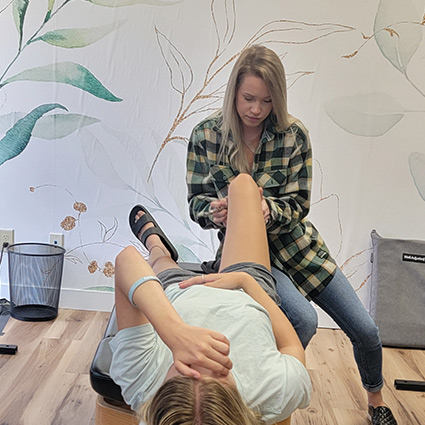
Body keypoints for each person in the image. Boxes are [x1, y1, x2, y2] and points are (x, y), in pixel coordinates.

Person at [186, 44, 397, 425]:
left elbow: (299, 204)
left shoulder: (293, 134)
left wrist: (270, 210)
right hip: (249, 258)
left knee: (365, 330)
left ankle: (376, 402)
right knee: (303, 320)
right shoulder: (206, 136)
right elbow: (196, 203)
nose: (256, 110)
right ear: (234, 90)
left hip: (300, 249)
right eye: (248, 98)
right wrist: (216, 213)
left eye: (266, 101)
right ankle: (267, 394)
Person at [109, 173, 311, 425]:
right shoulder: (272, 393)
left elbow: (127, 260)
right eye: (217, 370)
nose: (200, 359)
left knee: (160, 261)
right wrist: (246, 283)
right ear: (239, 403)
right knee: (244, 185)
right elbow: (292, 347)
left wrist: (175, 332)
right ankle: (232, 218)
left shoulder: (142, 384)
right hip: (244, 292)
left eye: (184, 369)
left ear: (158, 397)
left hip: (177, 290)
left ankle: (156, 244)